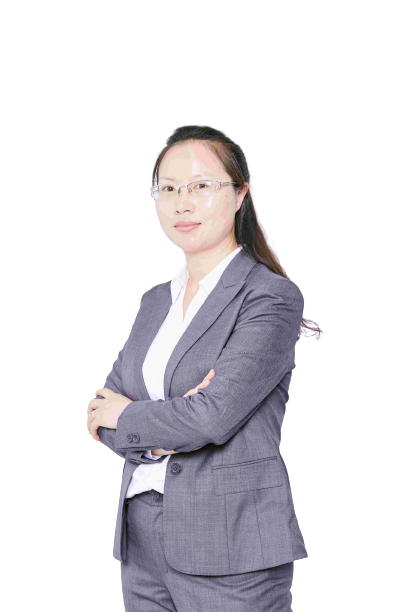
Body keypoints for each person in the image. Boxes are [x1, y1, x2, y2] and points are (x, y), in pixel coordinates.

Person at [87, 125, 320, 611]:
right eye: (169, 189)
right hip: (140, 538)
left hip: (230, 543)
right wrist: (167, 425)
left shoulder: (270, 297)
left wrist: (134, 417)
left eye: (200, 186)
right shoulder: (156, 300)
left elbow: (211, 418)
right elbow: (100, 412)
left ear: (240, 195)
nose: (182, 203)